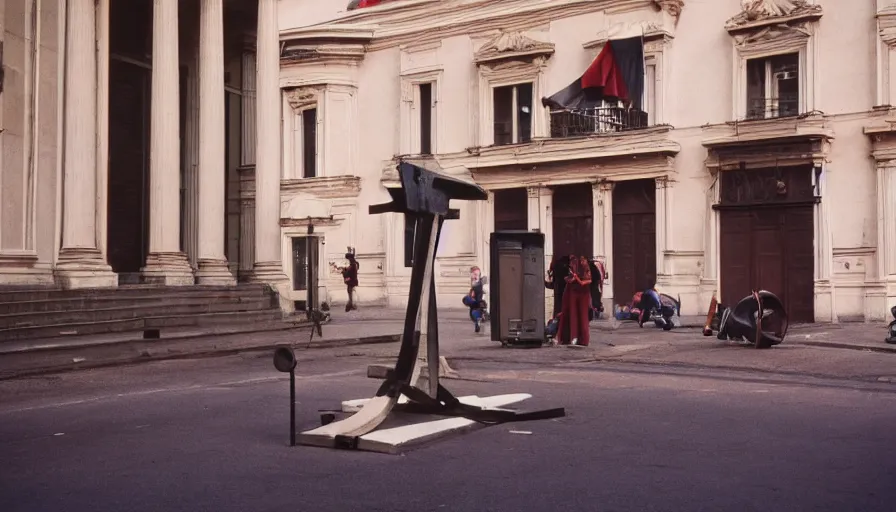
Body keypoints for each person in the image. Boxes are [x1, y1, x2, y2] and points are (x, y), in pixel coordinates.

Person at [556, 254, 592, 346]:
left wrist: (576, 278)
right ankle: (572, 337)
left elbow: (586, 282)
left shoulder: (587, 270)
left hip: (582, 294)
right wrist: (572, 278)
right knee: (572, 314)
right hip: (573, 293)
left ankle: (579, 338)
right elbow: (568, 279)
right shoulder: (572, 268)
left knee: (581, 316)